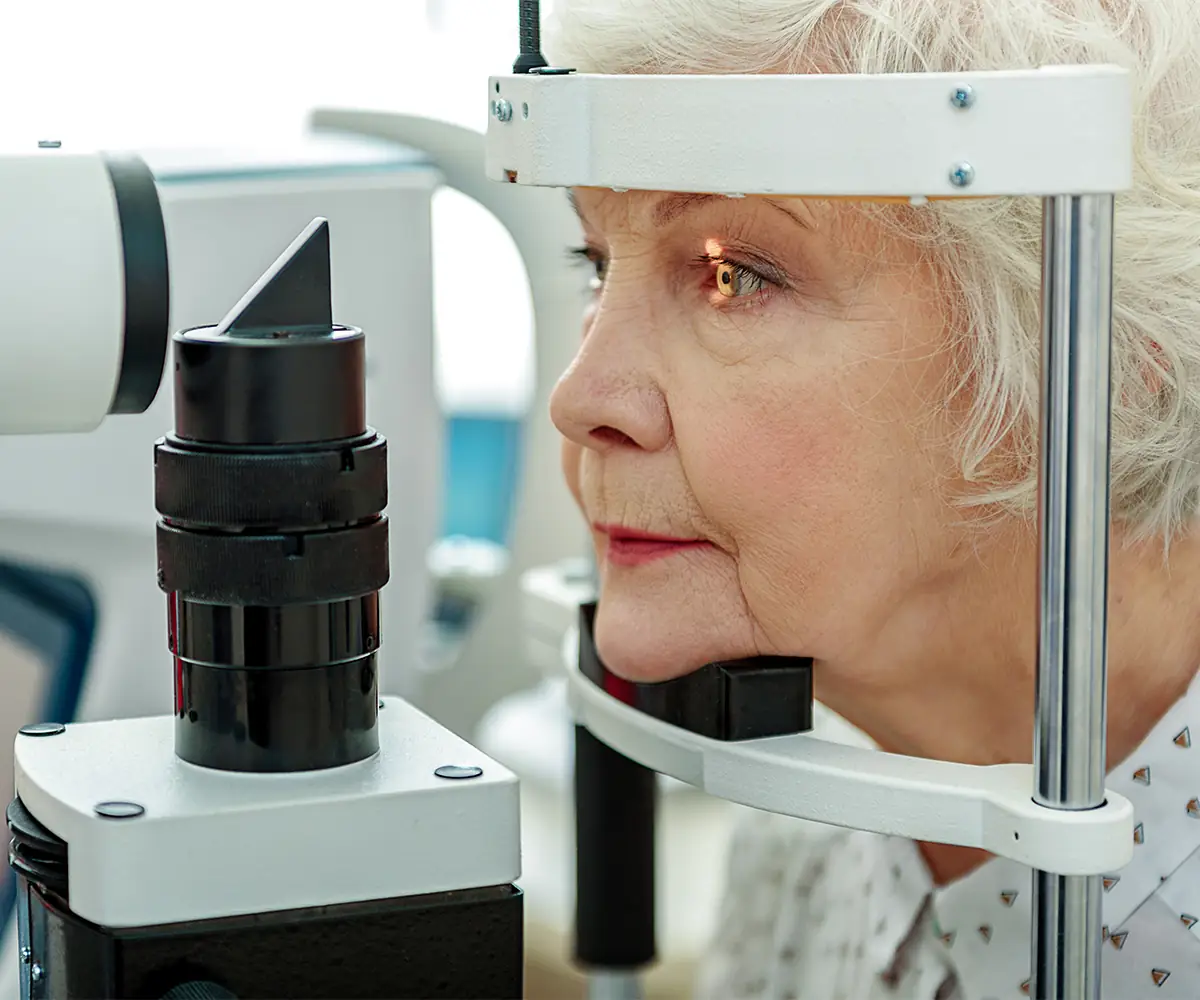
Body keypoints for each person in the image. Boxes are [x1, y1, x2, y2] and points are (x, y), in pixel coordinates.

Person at [542, 1, 1200, 997]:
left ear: (1106, 352)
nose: (582, 398)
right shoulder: (813, 809)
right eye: (594, 262)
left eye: (733, 276)